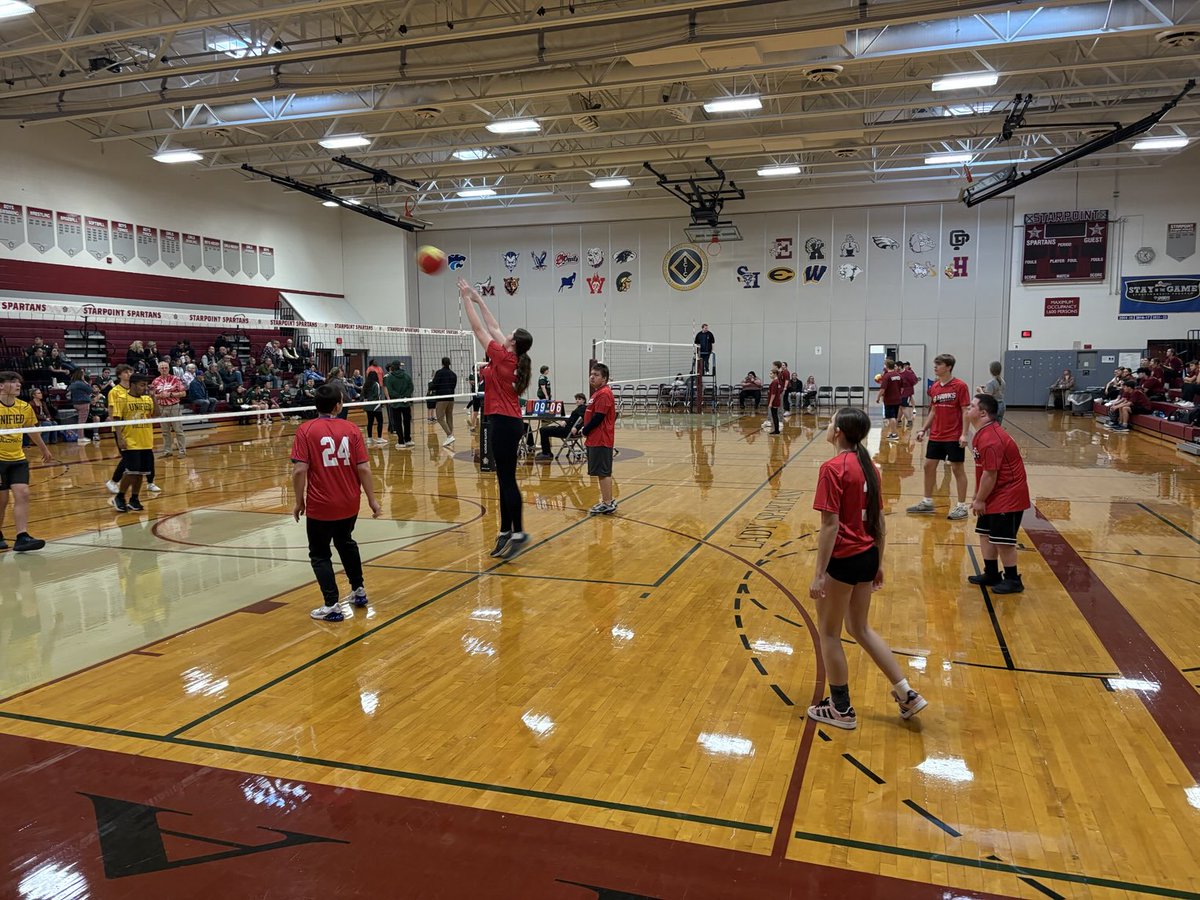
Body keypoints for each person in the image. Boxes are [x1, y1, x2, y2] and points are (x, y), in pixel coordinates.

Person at [807, 406, 927, 730]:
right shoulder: (870, 466)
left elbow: (830, 526)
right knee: (860, 629)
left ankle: (841, 710)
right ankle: (907, 693)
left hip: (844, 558)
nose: (828, 425)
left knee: (829, 634)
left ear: (840, 432)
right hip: (867, 554)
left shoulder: (832, 468)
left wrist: (820, 574)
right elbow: (879, 518)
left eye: (831, 422)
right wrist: (879, 560)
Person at [290, 384, 382, 622]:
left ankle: (331, 604)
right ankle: (358, 591)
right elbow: (363, 468)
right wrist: (372, 499)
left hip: (321, 505)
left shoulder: (306, 430)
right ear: (339, 405)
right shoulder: (351, 429)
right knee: (346, 542)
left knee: (320, 554)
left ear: (316, 405)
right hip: (350, 503)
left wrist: (299, 501)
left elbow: (300, 470)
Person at [458, 276, 534, 559]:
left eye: (510, 335)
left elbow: (479, 328)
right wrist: (478, 298)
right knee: (504, 479)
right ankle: (505, 530)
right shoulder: (515, 358)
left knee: (507, 479)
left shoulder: (503, 357)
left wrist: (465, 299)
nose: (505, 334)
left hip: (503, 422)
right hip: (508, 421)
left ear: (512, 343)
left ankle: (517, 532)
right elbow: (494, 326)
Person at [964, 394, 1030, 594]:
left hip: (1007, 494)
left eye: (972, 406)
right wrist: (977, 497)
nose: (968, 407)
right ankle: (991, 573)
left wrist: (980, 499)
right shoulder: (981, 434)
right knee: (985, 534)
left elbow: (990, 474)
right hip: (993, 492)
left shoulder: (991, 438)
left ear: (983, 413)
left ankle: (1013, 580)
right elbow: (981, 469)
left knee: (1003, 541)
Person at [908, 353, 970, 520]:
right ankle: (927, 502)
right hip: (936, 435)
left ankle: (962, 506)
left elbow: (965, 411)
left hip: (954, 435)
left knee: (958, 469)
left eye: (939, 364)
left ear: (948, 367)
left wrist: (964, 434)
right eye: (935, 364)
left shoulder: (960, 386)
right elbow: (933, 411)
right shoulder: (934, 387)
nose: (935, 367)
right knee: (928, 466)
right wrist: (923, 429)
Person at [0, 372, 53, 551]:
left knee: (22, 493)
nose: (18, 385)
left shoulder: (24, 407)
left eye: (19, 383)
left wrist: (44, 448)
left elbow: (31, 429)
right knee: (2, 499)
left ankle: (22, 536)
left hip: (18, 458)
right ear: (1, 385)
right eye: (13, 382)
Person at [111, 374, 155, 513]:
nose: (145, 388)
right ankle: (120, 497)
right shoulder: (122, 398)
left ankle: (134, 499)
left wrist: (154, 397)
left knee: (141, 472)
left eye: (146, 385)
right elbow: (116, 419)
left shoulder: (147, 399)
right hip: (130, 440)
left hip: (146, 441)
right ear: (133, 384)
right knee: (131, 471)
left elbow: (157, 414)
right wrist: (120, 438)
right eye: (142, 385)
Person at [576, 364, 616, 512]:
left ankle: (607, 503)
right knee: (601, 472)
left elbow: (599, 417)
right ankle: (608, 501)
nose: (592, 376)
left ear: (604, 378)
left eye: (596, 375)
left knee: (603, 472)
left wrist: (585, 430)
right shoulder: (597, 393)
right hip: (595, 438)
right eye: (591, 374)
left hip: (601, 439)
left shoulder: (604, 393)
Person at [151, 360, 188, 457]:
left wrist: (170, 394)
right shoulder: (155, 381)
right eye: (162, 368)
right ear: (158, 369)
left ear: (169, 369)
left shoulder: (175, 379)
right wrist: (160, 396)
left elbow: (184, 393)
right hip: (161, 407)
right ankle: (167, 451)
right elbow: (152, 395)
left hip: (174, 406)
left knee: (178, 430)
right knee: (165, 431)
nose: (164, 369)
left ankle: (182, 451)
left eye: (166, 367)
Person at [534, 392, 586, 460]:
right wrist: (565, 421)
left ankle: (546, 453)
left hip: (568, 431)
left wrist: (576, 427)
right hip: (567, 429)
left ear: (584, 400)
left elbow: (582, 419)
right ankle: (546, 451)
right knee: (545, 429)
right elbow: (572, 419)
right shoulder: (580, 408)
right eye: (576, 399)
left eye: (579, 399)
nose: (577, 400)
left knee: (543, 430)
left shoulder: (582, 408)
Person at [429, 357, 458, 448]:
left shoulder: (439, 373)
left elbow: (434, 385)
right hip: (451, 398)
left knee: (440, 418)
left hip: (442, 398)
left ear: (442, 363)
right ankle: (450, 436)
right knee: (449, 416)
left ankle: (449, 435)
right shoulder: (453, 374)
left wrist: (431, 382)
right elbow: (453, 386)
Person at [876, 358, 903, 439]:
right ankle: (893, 433)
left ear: (886, 366)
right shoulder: (898, 375)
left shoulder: (886, 376)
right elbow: (902, 388)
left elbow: (882, 389)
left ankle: (894, 434)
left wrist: (878, 397)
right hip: (897, 399)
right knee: (894, 416)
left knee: (891, 417)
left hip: (889, 400)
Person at [68, 368, 92, 442]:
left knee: (80, 420)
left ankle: (80, 436)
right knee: (82, 422)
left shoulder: (73, 383)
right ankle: (81, 438)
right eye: (83, 374)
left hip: (76, 403)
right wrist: (85, 381)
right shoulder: (81, 383)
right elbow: (90, 390)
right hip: (83, 404)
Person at [362, 370, 385, 444]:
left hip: (368, 407)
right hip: (375, 406)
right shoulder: (376, 384)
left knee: (370, 422)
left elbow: (361, 395)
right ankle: (379, 438)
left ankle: (369, 438)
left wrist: (365, 400)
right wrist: (370, 399)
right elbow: (376, 395)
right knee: (380, 421)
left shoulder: (365, 384)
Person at [898, 362, 919, 429]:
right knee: (900, 407)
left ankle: (909, 421)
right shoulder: (897, 373)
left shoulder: (908, 373)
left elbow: (914, 381)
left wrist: (906, 386)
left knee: (904, 407)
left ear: (900, 367)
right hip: (899, 393)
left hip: (906, 392)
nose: (894, 368)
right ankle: (898, 420)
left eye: (895, 366)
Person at [766, 364, 784, 435]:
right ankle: (776, 430)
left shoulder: (774, 382)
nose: (770, 375)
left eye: (771, 373)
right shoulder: (777, 382)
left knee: (774, 415)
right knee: (775, 415)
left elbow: (773, 394)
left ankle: (776, 430)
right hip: (776, 400)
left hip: (774, 401)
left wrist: (770, 403)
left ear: (775, 374)